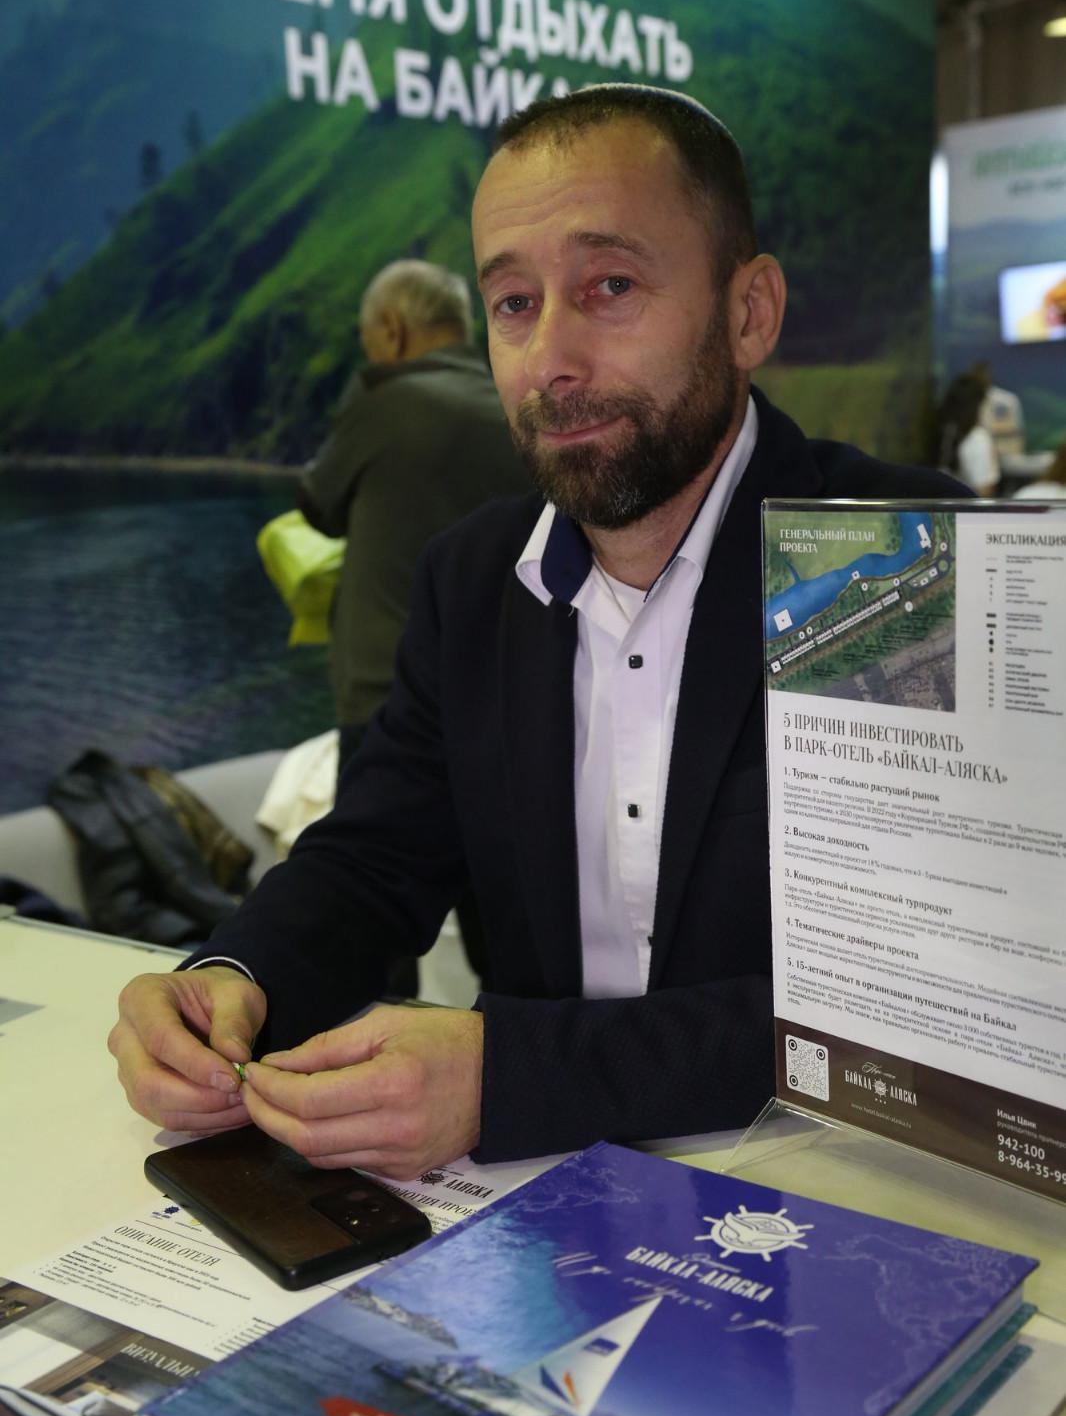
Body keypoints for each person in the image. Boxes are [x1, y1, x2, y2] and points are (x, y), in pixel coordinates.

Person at [108, 83, 964, 1178]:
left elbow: (922, 991)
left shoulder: (896, 564)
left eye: (610, 286)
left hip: (857, 1187)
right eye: (513, 302)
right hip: (535, 1205)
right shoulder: (472, 582)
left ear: (749, 312)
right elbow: (374, 858)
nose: (550, 359)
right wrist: (232, 980)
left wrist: (516, 1078)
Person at [298, 259, 527, 778]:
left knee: (371, 833)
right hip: (498, 698)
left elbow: (318, 505)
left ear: (392, 331)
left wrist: (362, 391)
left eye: (368, 342)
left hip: (388, 700)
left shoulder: (385, 402)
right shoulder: (516, 409)